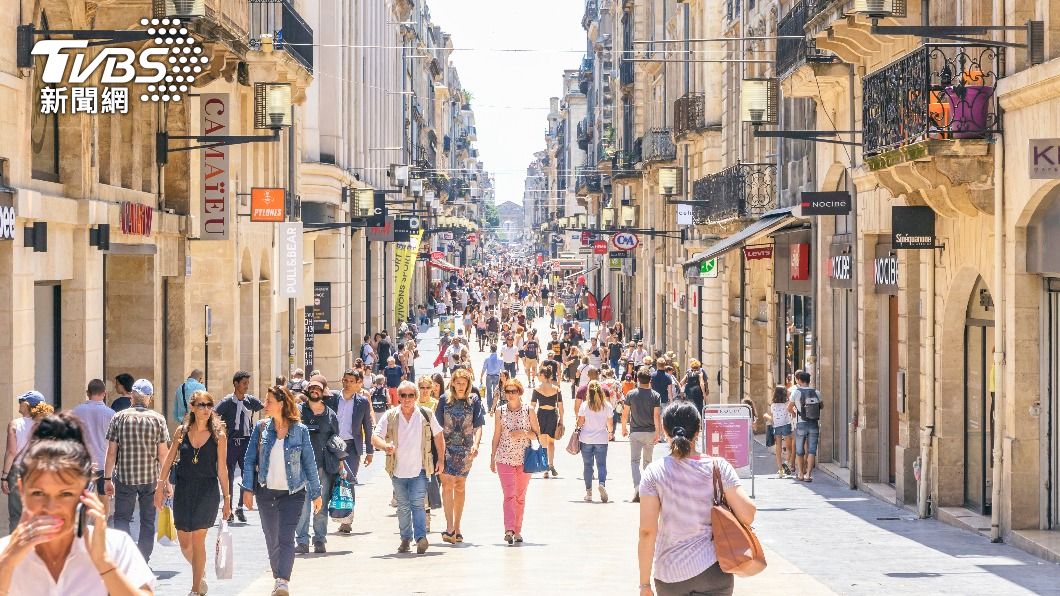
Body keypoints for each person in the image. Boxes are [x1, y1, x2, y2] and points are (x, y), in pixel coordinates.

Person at [0, 413, 155, 594]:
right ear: (22, 490)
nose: (51, 507)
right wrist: (8, 562)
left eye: (65, 494)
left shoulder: (115, 546)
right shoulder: (6, 551)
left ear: (85, 492)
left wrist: (104, 564)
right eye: (38, 493)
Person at [637, 401, 756, 596]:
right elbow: (748, 515)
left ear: (666, 432)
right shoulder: (719, 467)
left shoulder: (654, 472)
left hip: (670, 575)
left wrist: (644, 584)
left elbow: (647, 531)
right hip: (714, 569)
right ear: (699, 430)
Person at [242, 386, 322, 596]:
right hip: (266, 492)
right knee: (272, 538)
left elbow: (309, 463)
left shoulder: (300, 430)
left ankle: (283, 580)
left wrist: (316, 493)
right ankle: (278, 576)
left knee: (286, 537)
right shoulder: (261, 429)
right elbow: (249, 461)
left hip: (293, 494)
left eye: (268, 401)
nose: (265, 404)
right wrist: (247, 489)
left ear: (281, 404)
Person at [156, 390, 230, 596]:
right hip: (184, 489)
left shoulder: (219, 435)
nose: (206, 409)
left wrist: (227, 498)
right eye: (201, 405)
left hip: (207, 491)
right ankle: (200, 570)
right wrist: (160, 486)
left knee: (198, 539)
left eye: (209, 405)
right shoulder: (181, 432)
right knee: (184, 543)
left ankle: (195, 589)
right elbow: (169, 460)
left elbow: (222, 469)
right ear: (192, 407)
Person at [372, 381, 445, 554]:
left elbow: (438, 435)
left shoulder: (425, 414)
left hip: (419, 469)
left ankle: (420, 538)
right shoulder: (390, 416)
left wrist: (441, 459)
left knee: (418, 503)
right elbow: (375, 437)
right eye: (403, 395)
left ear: (416, 397)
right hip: (397, 470)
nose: (406, 399)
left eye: (410, 395)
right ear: (398, 397)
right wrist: (385, 446)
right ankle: (405, 538)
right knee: (403, 505)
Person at [104, 379, 169, 563]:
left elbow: (111, 453)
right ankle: (143, 559)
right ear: (149, 398)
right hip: (151, 478)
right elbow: (163, 454)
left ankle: (125, 557)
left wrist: (107, 478)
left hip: (125, 476)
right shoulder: (158, 419)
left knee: (122, 518)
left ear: (132, 396)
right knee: (148, 521)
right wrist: (166, 482)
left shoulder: (119, 417)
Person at [435, 369, 486, 544]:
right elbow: (437, 426)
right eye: (458, 383)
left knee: (460, 485)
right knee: (447, 484)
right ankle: (449, 528)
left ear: (468, 384)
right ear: (453, 383)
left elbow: (478, 425)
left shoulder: (474, 401)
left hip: (465, 449)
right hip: (446, 447)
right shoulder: (444, 400)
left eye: (464, 383)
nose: (461, 386)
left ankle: (457, 527)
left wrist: (476, 444)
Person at [489, 378, 540, 545]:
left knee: (520, 496)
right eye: (508, 391)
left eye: (514, 391)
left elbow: (537, 435)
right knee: (509, 495)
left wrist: (523, 432)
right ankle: (509, 529)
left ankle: (518, 530)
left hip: (524, 459)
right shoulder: (500, 411)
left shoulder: (528, 410)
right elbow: (496, 434)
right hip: (504, 457)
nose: (510, 395)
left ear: (520, 392)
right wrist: (492, 456)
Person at [295, 382, 342, 554]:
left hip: (323, 466)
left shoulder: (331, 415)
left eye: (318, 389)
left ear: (323, 393)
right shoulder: (298, 411)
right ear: (307, 391)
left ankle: (320, 539)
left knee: (320, 505)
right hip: (300, 466)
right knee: (302, 506)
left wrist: (341, 464)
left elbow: (336, 440)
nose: (314, 391)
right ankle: (302, 541)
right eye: (312, 389)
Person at [214, 370, 265, 523]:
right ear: (236, 384)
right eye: (244, 383)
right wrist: (219, 431)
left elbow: (265, 407)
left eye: (247, 383)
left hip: (246, 442)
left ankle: (240, 507)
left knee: (247, 474)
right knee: (228, 475)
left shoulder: (250, 401)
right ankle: (227, 507)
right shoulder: (227, 401)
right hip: (230, 444)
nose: (246, 386)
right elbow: (214, 414)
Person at [2, 391, 44, 531]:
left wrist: (4, 476)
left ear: (26, 405)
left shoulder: (15, 424)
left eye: (20, 401)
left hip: (18, 472)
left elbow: (11, 452)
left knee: (16, 515)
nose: (18, 404)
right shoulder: (45, 425)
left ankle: (17, 549)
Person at [622, 367, 663, 502]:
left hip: (635, 432)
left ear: (637, 380)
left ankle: (637, 486)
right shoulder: (655, 395)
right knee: (648, 463)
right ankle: (647, 489)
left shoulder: (631, 394)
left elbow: (625, 413)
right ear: (650, 380)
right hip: (650, 432)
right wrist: (658, 432)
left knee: (634, 462)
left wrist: (623, 427)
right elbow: (656, 416)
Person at [71, 380, 115, 494]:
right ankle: (103, 513)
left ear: (87, 393)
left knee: (83, 498)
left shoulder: (76, 411)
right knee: (104, 496)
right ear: (104, 393)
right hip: (104, 462)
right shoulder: (111, 414)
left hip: (82, 462)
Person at [579, 380, 615, 502]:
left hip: (586, 439)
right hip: (601, 439)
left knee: (588, 466)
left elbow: (580, 422)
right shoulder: (607, 406)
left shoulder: (584, 405)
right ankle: (602, 484)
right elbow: (610, 424)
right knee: (602, 465)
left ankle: (589, 493)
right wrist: (610, 433)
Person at [788, 371, 823, 482]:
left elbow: (789, 407)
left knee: (799, 450)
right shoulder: (816, 392)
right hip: (813, 423)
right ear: (809, 381)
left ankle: (800, 474)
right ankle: (808, 474)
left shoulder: (796, 392)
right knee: (812, 450)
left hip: (801, 423)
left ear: (799, 381)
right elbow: (821, 406)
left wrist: (794, 414)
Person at [530, 363, 563, 479]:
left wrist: (530, 421)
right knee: (551, 442)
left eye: (539, 374)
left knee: (543, 443)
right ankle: (551, 464)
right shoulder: (556, 389)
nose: (537, 376)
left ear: (544, 375)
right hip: (553, 415)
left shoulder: (537, 389)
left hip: (541, 415)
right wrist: (561, 421)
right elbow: (561, 407)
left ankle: (545, 468)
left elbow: (532, 406)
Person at [769, 385, 795, 478]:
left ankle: (780, 469)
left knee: (778, 448)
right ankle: (787, 463)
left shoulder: (773, 405)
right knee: (789, 447)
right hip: (786, 425)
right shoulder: (787, 403)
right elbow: (792, 412)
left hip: (777, 427)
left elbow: (772, 417)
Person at [479, 344, 504, 414]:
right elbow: (503, 370)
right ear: (496, 349)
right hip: (497, 376)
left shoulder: (487, 358)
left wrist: (481, 376)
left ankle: (489, 407)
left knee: (489, 392)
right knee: (495, 392)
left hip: (489, 376)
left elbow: (484, 368)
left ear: (490, 349)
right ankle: (494, 407)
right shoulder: (500, 359)